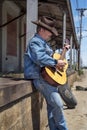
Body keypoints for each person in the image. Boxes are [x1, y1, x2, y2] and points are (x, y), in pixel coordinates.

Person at [24, 16, 77, 130]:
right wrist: (55, 62)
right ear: (42, 30)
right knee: (57, 104)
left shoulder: (44, 43)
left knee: (52, 107)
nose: (51, 34)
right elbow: (39, 57)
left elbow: (55, 60)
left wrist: (63, 52)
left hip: (47, 78)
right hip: (39, 77)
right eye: (50, 31)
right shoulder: (35, 42)